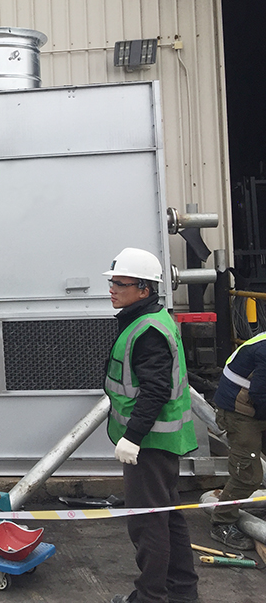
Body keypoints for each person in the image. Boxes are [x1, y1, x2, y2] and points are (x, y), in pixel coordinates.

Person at [103, 248, 199, 603]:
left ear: (144, 289)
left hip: (150, 444)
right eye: (112, 282)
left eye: (120, 284)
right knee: (168, 519)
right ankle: (182, 593)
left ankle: (150, 597)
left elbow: (155, 389)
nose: (112, 289)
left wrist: (132, 437)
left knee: (148, 524)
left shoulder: (147, 330)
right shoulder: (151, 319)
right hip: (160, 442)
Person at [208, 331, 266, 550]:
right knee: (247, 475)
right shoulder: (264, 351)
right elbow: (260, 394)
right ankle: (222, 523)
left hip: (257, 405)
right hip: (240, 412)